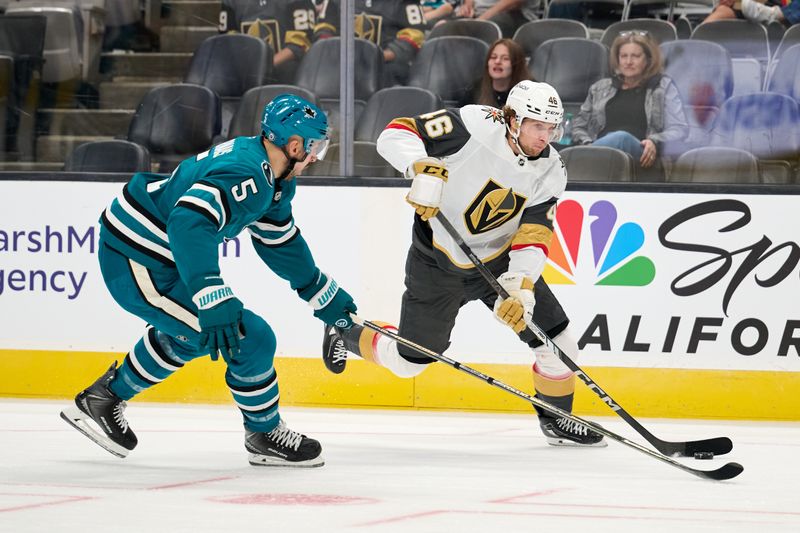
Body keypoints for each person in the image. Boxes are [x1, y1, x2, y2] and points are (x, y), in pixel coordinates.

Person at [60, 94, 357, 468]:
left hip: (159, 256)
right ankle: (263, 433)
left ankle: (103, 399)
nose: (316, 156)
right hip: (137, 259)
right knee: (250, 338)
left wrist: (321, 293)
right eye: (315, 146)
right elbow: (187, 222)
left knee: (197, 334)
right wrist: (209, 292)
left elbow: (279, 242)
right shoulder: (247, 171)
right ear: (294, 145)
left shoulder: (274, 176)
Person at [322, 81, 606, 448]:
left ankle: (557, 420)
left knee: (559, 341)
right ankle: (346, 332)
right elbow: (394, 133)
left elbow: (534, 235)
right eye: (538, 126)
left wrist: (519, 287)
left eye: (552, 128)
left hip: (498, 265)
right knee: (410, 362)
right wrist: (420, 168)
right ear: (512, 119)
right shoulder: (472, 125)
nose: (545, 137)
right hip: (436, 264)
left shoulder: (551, 169)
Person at [570, 32, 688, 178]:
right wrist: (588, 145)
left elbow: (679, 129)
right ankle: (590, 158)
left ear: (648, 60)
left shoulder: (663, 86)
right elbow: (578, 126)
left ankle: (578, 164)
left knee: (620, 138)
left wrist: (654, 141)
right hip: (603, 158)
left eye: (635, 56)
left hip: (643, 158)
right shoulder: (600, 88)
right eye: (623, 56)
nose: (628, 62)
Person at [312, 0, 427, 86]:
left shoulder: (406, 1)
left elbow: (415, 33)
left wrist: (382, 55)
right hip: (339, 61)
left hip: (386, 64)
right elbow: (324, 26)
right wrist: (330, 51)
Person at [218, 0, 317, 83]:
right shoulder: (230, 2)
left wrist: (263, 67)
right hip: (247, 78)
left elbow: (299, 45)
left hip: (288, 78)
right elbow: (228, 42)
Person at [469, 38, 530, 108]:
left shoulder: (529, 91)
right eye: (493, 57)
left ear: (517, 64)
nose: (497, 61)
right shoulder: (476, 88)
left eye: (505, 58)